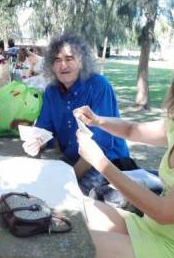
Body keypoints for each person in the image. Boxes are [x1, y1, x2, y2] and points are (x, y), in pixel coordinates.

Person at [74, 49, 174, 258]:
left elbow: (164, 211)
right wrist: (97, 120)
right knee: (69, 210)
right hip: (150, 228)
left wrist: (100, 163)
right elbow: (132, 130)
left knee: (72, 244)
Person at [28, 32, 130, 194]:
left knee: (65, 197)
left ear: (82, 61)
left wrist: (69, 178)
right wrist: (37, 141)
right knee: (37, 185)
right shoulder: (51, 91)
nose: (63, 66)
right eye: (57, 60)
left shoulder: (98, 86)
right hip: (72, 159)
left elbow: (100, 145)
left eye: (69, 59)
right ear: (51, 65)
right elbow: (44, 129)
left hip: (106, 165)